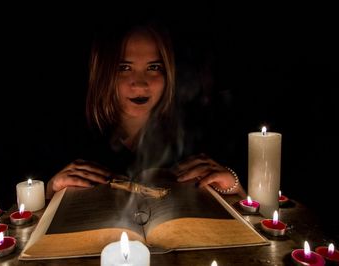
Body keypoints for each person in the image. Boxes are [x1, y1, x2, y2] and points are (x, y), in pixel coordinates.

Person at [46, 19, 244, 199]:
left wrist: (233, 186)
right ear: (103, 73)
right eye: (124, 68)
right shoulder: (73, 137)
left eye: (153, 67)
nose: (140, 85)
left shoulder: (197, 134)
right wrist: (49, 191)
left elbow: (248, 210)